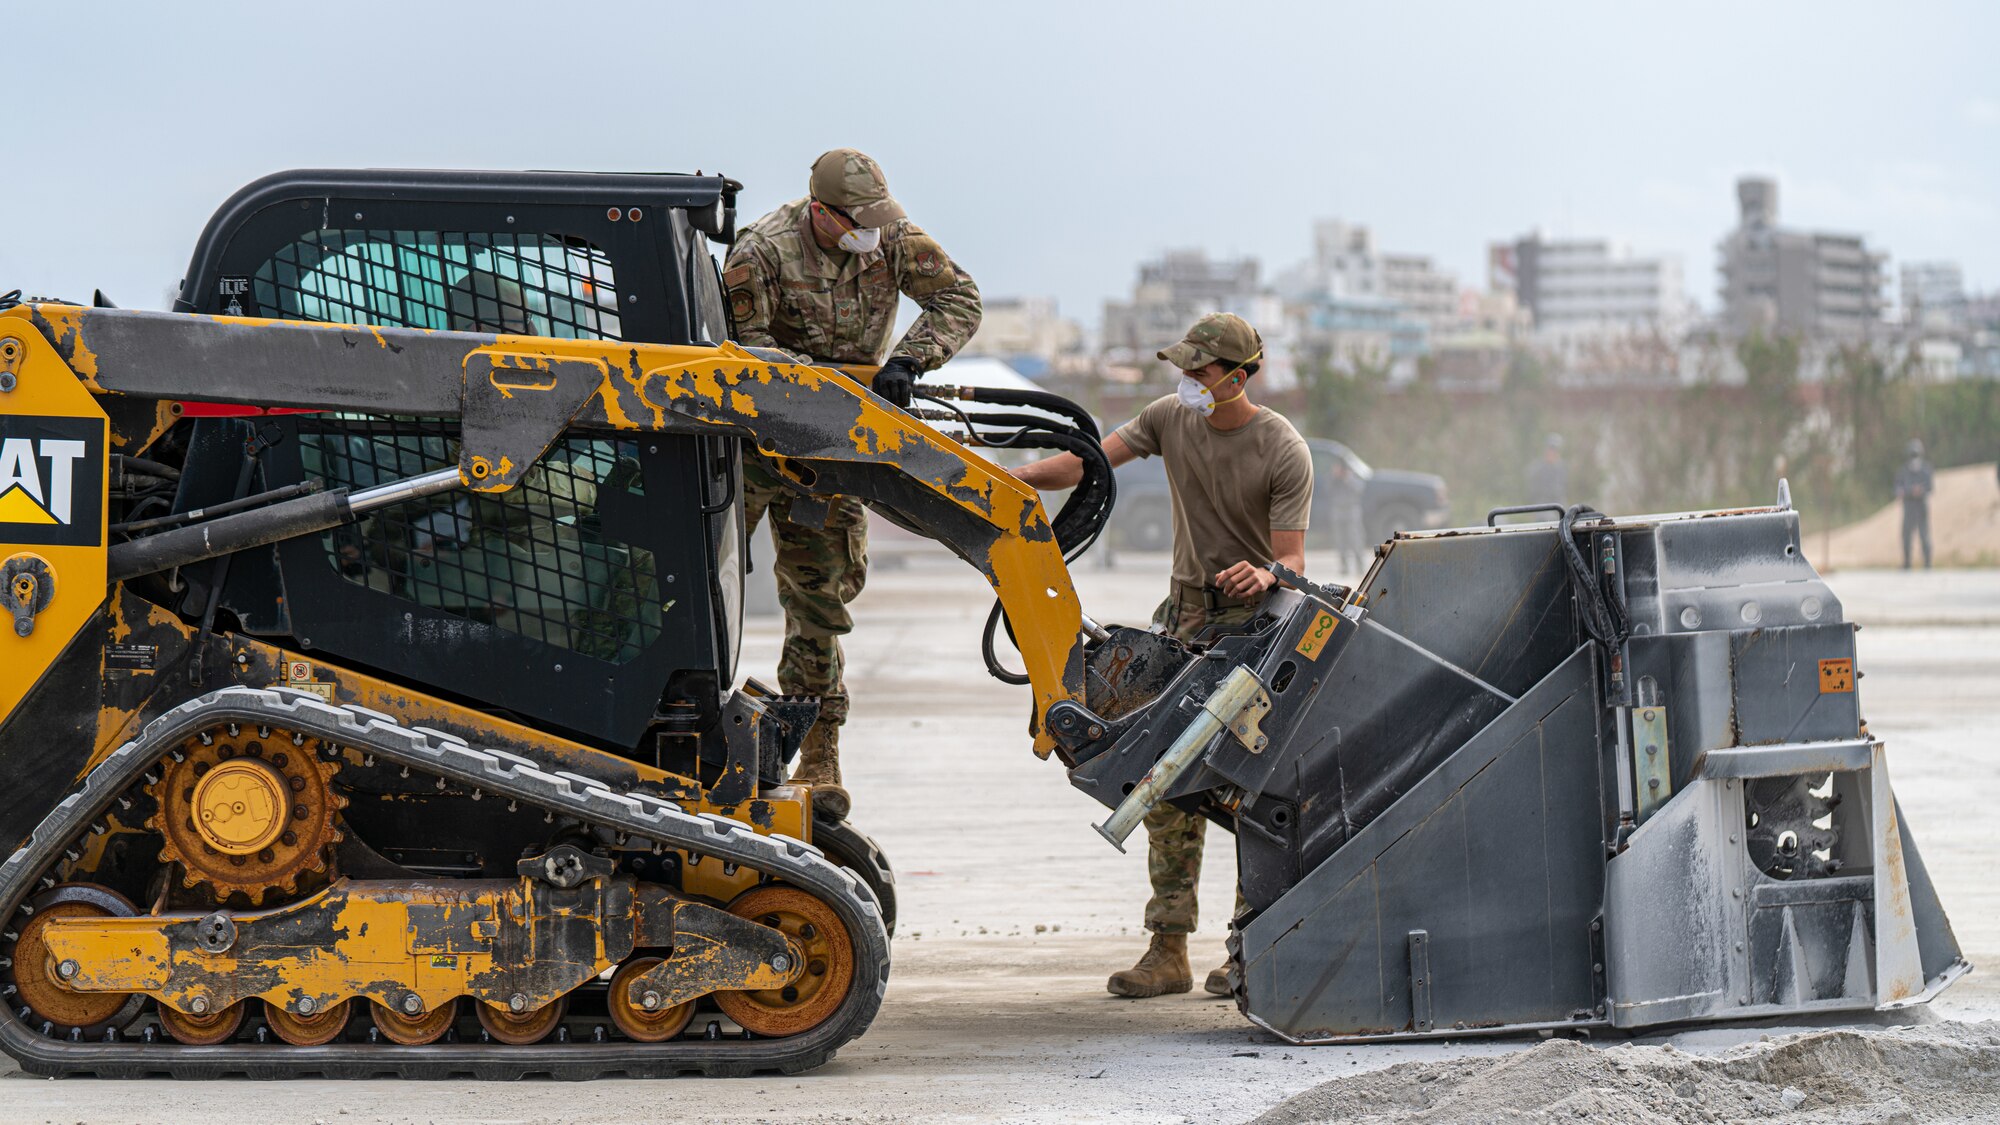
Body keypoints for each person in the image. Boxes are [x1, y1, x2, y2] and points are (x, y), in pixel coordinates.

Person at [1010, 312, 1312, 999]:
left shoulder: (1282, 448)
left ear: (1238, 378)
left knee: (1246, 795)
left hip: (1252, 636)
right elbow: (1085, 462)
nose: (1187, 382)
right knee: (1161, 782)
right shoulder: (1167, 419)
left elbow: (1291, 559)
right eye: (1183, 368)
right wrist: (1012, 479)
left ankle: (1249, 949)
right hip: (1180, 624)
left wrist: (1263, 572)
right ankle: (1168, 948)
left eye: (1200, 371)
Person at [723, 148, 982, 817]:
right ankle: (687, 714)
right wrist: (819, 379)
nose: (870, 233)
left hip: (833, 451)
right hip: (757, 441)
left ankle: (817, 746)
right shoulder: (763, 253)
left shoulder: (890, 239)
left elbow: (959, 296)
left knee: (822, 595)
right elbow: (743, 351)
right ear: (821, 212)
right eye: (855, 222)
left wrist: (908, 359)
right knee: (698, 575)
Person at [1895, 438, 1934, 570]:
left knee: (1924, 535)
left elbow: (1930, 487)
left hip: (1921, 506)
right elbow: (1898, 487)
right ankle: (1907, 562)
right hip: (1909, 506)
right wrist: (1908, 491)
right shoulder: (1904, 470)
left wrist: (1920, 490)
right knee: (1906, 535)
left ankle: (1927, 562)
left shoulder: (1925, 469)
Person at [1326, 456, 1367, 574]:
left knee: (1356, 538)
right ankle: (1344, 566)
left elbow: (1360, 489)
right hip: (1337, 510)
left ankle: (1360, 565)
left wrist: (1347, 478)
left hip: (1351, 510)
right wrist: (1334, 477)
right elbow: (1327, 490)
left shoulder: (1352, 476)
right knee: (1340, 539)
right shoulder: (1332, 478)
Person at [1526, 432, 1568, 505]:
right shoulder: (1537, 468)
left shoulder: (1562, 467)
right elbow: (1532, 491)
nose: (1552, 452)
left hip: (1559, 504)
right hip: (1542, 505)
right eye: (1550, 449)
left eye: (1555, 450)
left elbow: (1562, 490)